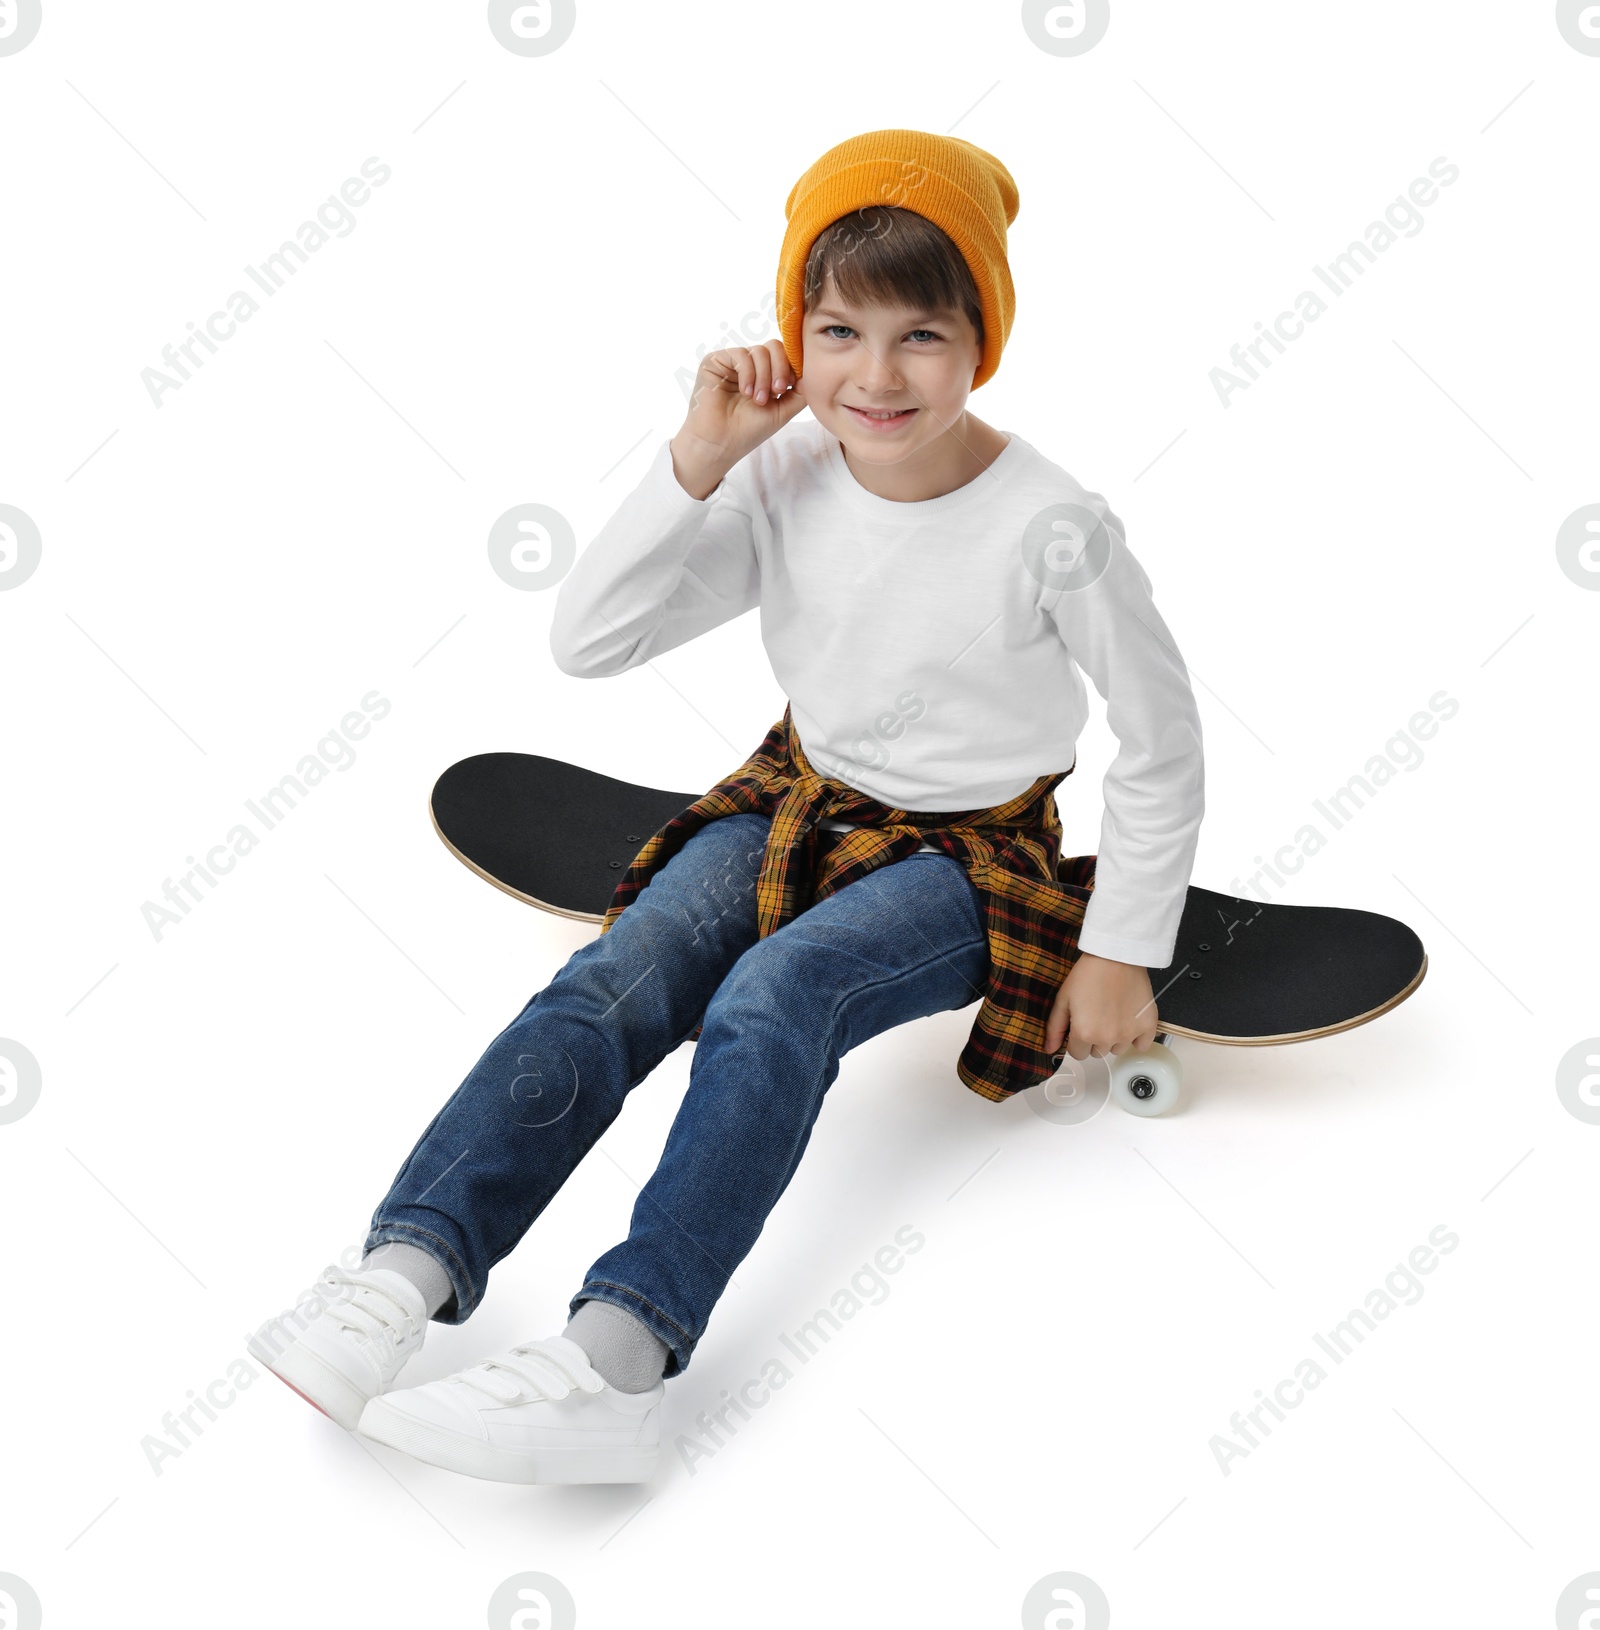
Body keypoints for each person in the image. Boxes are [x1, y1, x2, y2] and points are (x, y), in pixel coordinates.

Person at [247, 128, 1204, 1487]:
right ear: (791, 336)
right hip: (798, 795)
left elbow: (1163, 737)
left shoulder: (1054, 523)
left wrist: (1121, 944)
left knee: (775, 995)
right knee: (621, 970)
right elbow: (592, 641)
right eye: (838, 331)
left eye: (922, 335)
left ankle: (616, 1359)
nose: (875, 377)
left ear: (982, 338)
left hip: (969, 853)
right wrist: (694, 456)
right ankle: (401, 1269)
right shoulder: (781, 472)